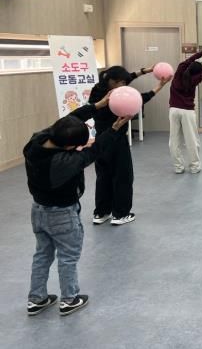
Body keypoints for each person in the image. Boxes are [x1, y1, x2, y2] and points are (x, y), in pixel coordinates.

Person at [24, 97, 130, 317]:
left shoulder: (36, 141)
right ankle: (69, 299)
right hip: (62, 214)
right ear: (69, 146)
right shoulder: (64, 163)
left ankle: (36, 299)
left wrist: (97, 106)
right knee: (68, 257)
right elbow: (94, 151)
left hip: (38, 211)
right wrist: (114, 128)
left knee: (42, 254)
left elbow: (69, 120)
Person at [89, 66, 170, 226]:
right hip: (116, 141)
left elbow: (128, 78)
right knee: (123, 177)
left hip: (100, 142)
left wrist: (145, 71)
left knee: (103, 177)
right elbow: (140, 98)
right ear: (113, 82)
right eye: (123, 82)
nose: (125, 85)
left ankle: (101, 213)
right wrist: (159, 87)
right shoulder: (117, 97)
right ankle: (120, 214)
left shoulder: (97, 90)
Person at [169, 45, 202, 174]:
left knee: (174, 140)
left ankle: (178, 167)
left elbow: (189, 60)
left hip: (173, 110)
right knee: (191, 139)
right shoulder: (195, 79)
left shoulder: (179, 73)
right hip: (187, 112)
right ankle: (194, 166)